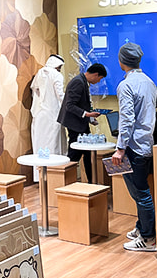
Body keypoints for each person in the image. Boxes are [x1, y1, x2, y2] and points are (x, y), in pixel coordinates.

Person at [111, 42, 157, 252]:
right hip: (146, 144)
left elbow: (127, 119)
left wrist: (120, 148)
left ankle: (148, 238)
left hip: (133, 147)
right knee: (141, 192)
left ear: (121, 61)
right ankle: (141, 227)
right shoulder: (149, 82)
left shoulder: (126, 85)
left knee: (141, 193)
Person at [57, 63, 107, 184]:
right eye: (100, 79)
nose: (98, 82)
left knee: (87, 153)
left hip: (80, 123)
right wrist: (87, 114)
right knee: (74, 154)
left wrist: (90, 118)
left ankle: (91, 183)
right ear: (96, 74)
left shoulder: (82, 81)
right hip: (75, 125)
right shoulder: (78, 82)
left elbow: (81, 104)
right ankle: (67, 183)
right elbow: (70, 105)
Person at [30, 54, 66, 182]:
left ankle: (40, 177)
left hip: (39, 114)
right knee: (53, 144)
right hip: (53, 113)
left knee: (39, 144)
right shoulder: (57, 75)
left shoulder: (39, 73)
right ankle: (53, 178)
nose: (60, 69)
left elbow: (34, 89)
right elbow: (60, 95)